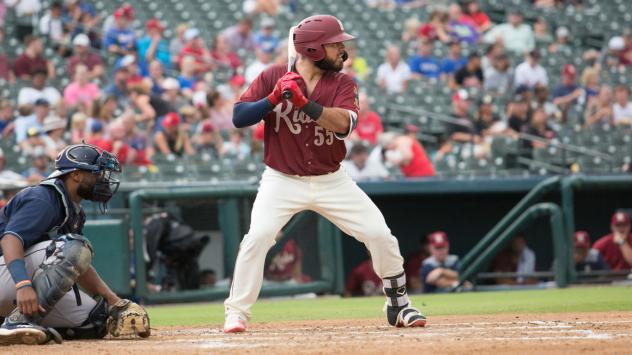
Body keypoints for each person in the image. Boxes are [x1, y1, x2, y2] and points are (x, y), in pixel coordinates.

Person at [223, 14, 426, 333]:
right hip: (281, 179)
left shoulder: (343, 83)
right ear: (314, 50)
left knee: (379, 234)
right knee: (258, 237)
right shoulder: (274, 75)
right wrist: (274, 97)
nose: (343, 52)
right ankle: (236, 312)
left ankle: (398, 303)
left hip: (332, 179)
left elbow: (344, 125)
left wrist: (305, 104)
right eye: (336, 46)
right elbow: (239, 117)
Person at [0, 144, 150, 345]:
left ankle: (10, 322)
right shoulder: (43, 198)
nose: (103, 180)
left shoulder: (74, 211)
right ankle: (19, 320)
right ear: (76, 175)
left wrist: (115, 302)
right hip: (11, 276)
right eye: (97, 173)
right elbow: (10, 239)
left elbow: (77, 263)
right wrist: (23, 285)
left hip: (10, 279)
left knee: (94, 321)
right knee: (75, 246)